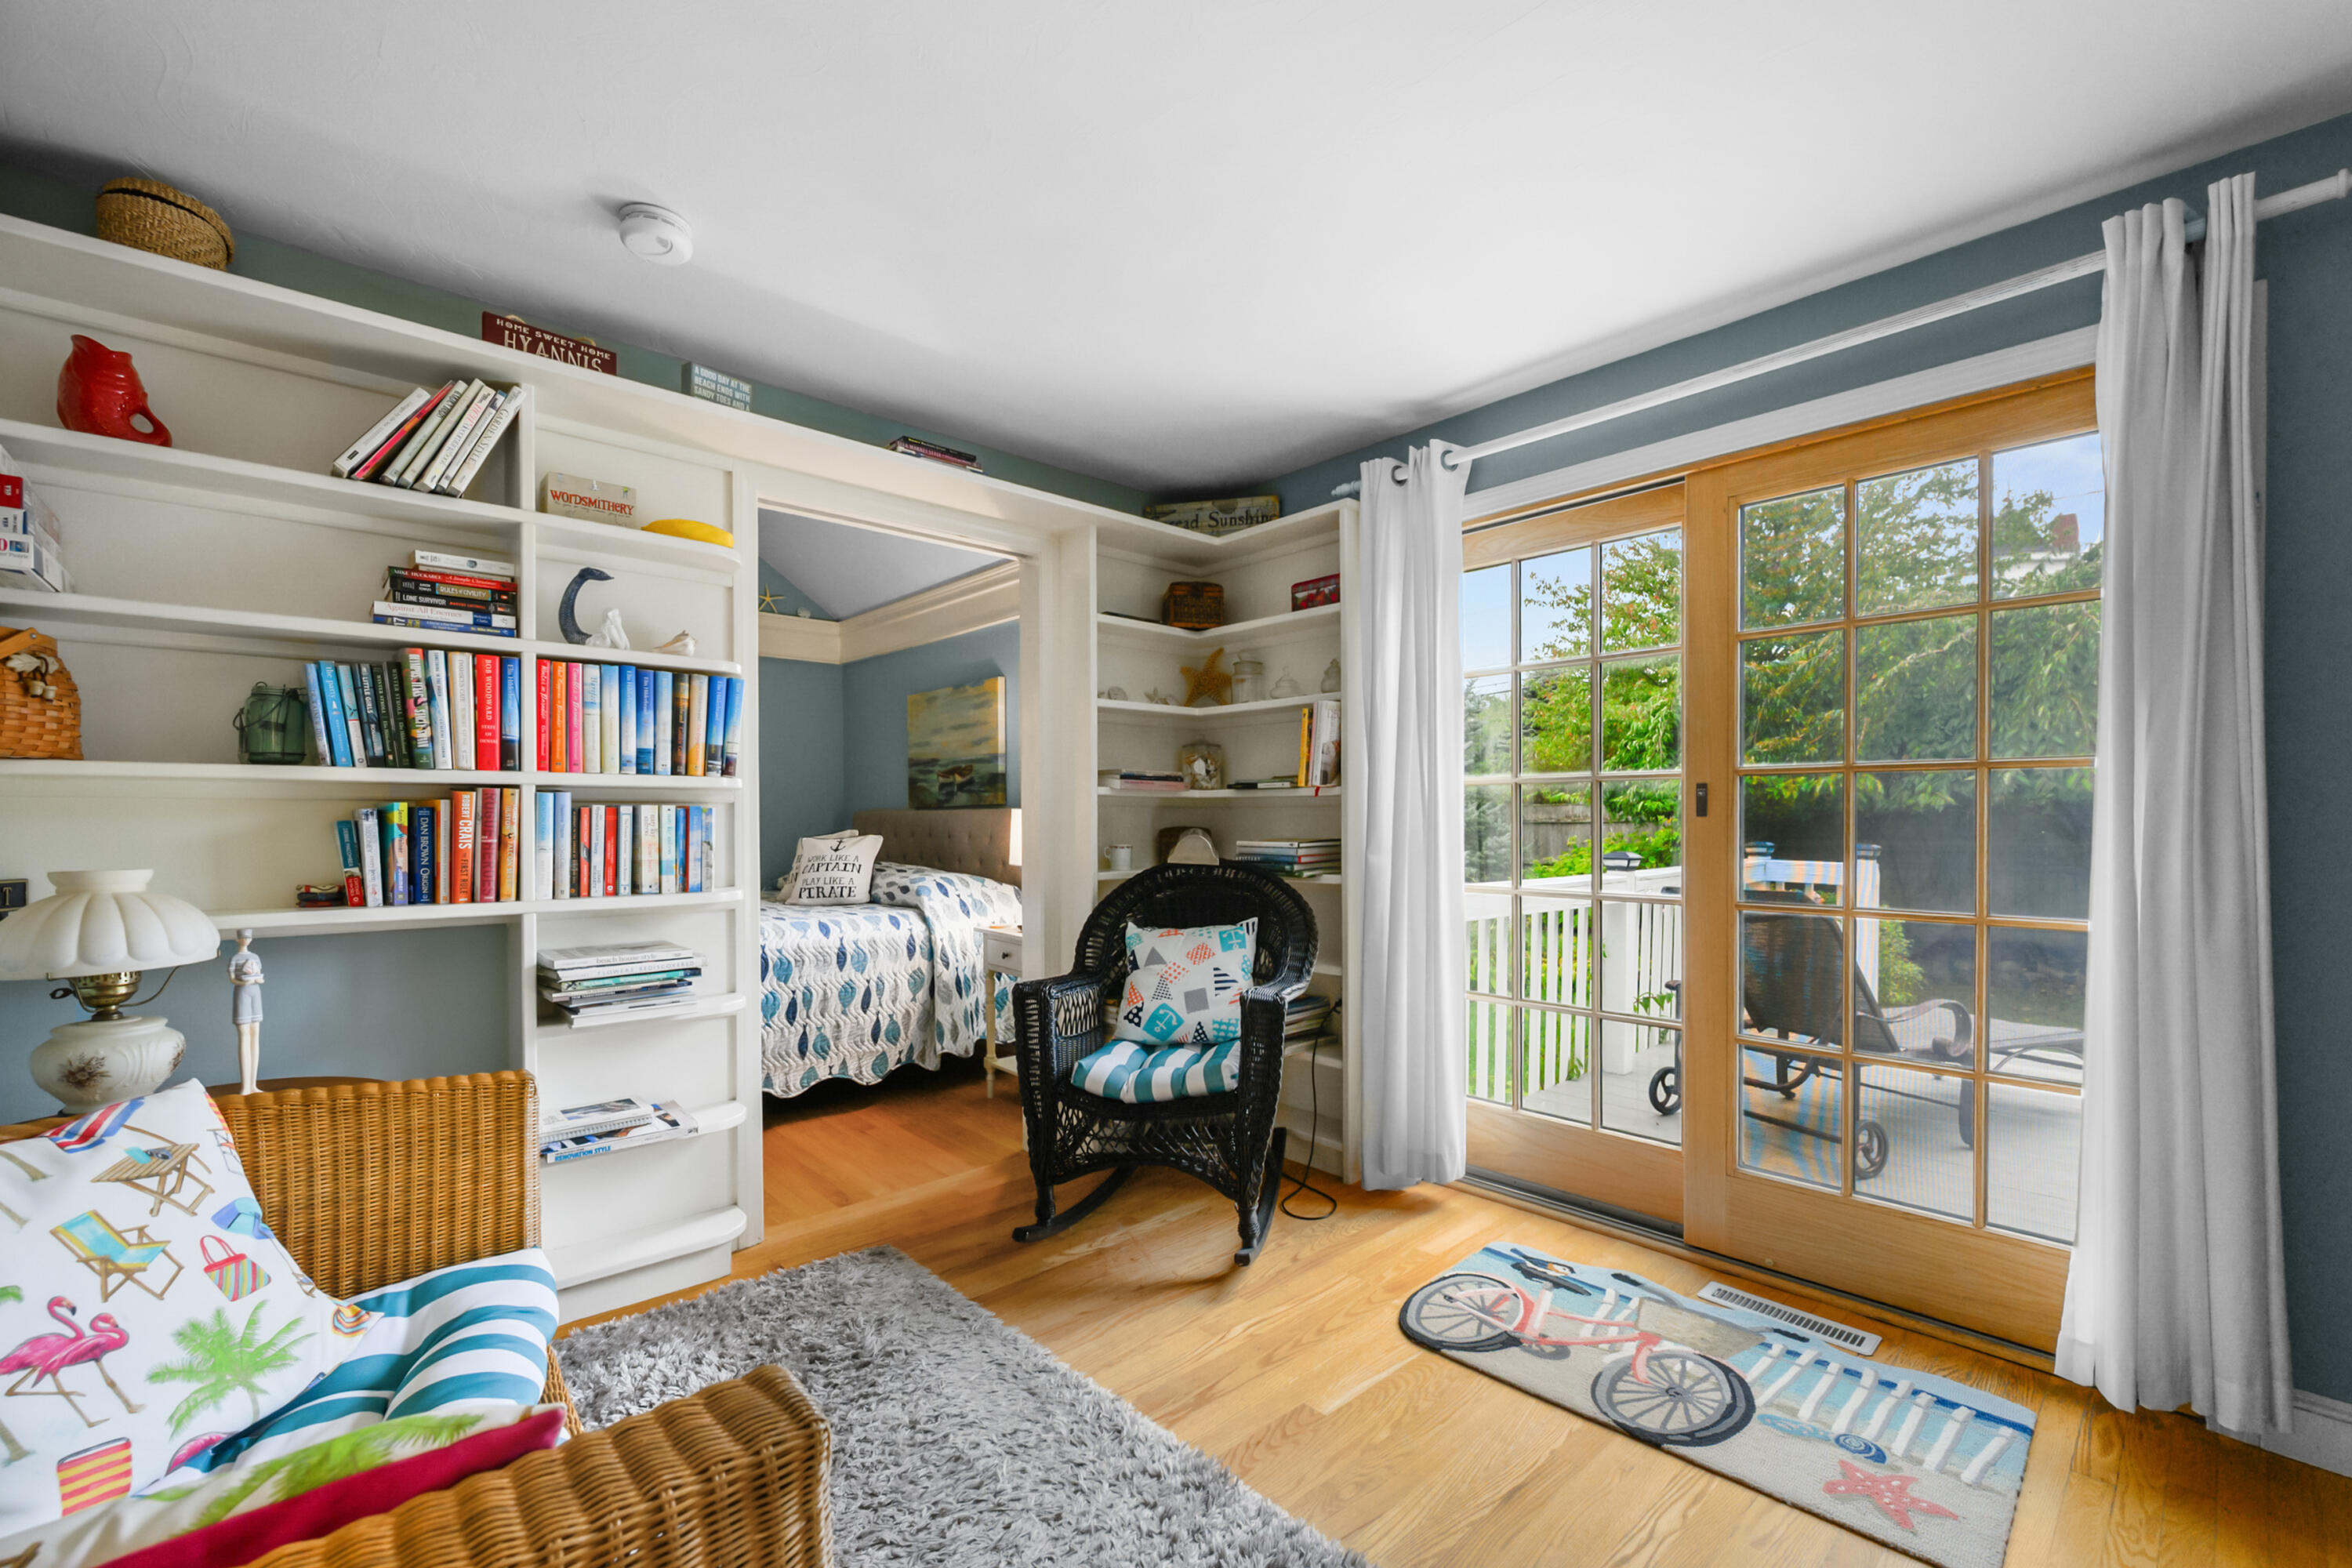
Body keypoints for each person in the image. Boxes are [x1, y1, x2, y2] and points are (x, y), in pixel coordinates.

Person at [227, 928, 263, 1094]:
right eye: (243, 937)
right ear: (238, 940)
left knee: (255, 1034)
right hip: (242, 994)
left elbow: (260, 975)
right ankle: (245, 1086)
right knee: (244, 1035)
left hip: (255, 994)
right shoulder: (235, 958)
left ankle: (253, 1085)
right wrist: (243, 983)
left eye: (248, 938)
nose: (246, 940)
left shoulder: (255, 957)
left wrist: (257, 979)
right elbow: (232, 979)